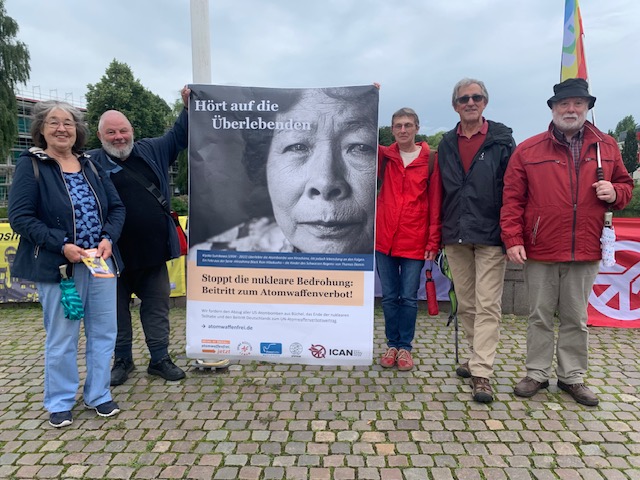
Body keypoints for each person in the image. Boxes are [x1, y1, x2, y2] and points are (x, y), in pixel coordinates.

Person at [501, 78, 633, 407]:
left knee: (576, 318)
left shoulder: (607, 146)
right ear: (553, 108)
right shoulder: (528, 150)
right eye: (564, 103)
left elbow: (625, 186)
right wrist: (513, 238)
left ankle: (572, 376)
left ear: (587, 107)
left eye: (578, 103)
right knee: (539, 316)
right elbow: (512, 200)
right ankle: (536, 372)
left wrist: (615, 192)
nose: (571, 109)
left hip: (586, 246)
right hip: (541, 247)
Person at [8, 100, 125, 427]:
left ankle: (98, 394)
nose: (62, 128)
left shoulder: (91, 164)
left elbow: (117, 208)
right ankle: (60, 400)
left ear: (77, 130)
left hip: (100, 264)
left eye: (68, 123)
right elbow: (20, 217)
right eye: (54, 122)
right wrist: (61, 245)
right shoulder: (32, 165)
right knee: (62, 337)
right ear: (41, 129)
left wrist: (108, 238)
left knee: (105, 332)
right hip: (61, 268)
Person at [89, 86, 213, 386]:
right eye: (111, 133)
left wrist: (187, 107)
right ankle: (122, 360)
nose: (119, 137)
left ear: (131, 131)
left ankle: (159, 359)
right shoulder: (88, 162)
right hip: (110, 255)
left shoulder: (151, 150)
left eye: (123, 130)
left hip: (153, 252)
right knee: (115, 313)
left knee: (157, 308)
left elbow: (179, 135)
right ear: (100, 136)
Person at [191, 86, 378, 254]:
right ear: (265, 164)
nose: (326, 182)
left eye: (359, 147)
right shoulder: (217, 255)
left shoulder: (389, 262)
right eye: (298, 147)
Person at [437, 78, 515, 402]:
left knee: (488, 304)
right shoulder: (446, 143)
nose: (470, 102)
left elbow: (513, 190)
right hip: (455, 234)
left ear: (485, 102)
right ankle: (474, 355)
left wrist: (511, 235)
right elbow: (439, 190)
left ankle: (482, 372)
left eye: (476, 97)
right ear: (455, 105)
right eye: (464, 98)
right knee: (466, 303)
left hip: (490, 234)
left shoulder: (502, 140)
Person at [376, 107, 442, 371]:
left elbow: (435, 204)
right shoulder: (384, 156)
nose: (403, 130)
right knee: (389, 297)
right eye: (398, 126)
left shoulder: (430, 159)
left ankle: (405, 347)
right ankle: (392, 345)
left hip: (415, 240)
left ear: (417, 128)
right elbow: (361, 132)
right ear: (392, 130)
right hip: (384, 240)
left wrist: (433, 242)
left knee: (408, 297)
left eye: (408, 125)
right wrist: (369, 94)